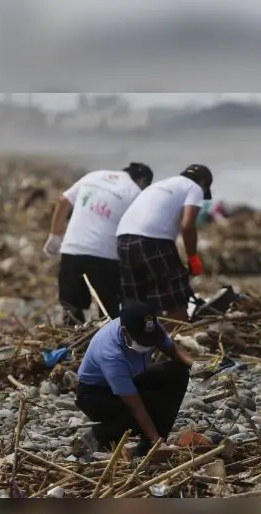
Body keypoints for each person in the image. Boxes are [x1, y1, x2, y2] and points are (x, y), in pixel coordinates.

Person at [75, 302, 195, 455]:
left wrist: (198, 366)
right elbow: (135, 405)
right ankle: (100, 435)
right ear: (125, 333)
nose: (147, 346)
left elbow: (171, 350)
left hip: (132, 376)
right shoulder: (111, 355)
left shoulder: (149, 325)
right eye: (143, 342)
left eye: (150, 341)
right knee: (150, 403)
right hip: (95, 395)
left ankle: (152, 442)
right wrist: (156, 442)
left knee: (177, 372)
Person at [43, 162, 154, 324]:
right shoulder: (135, 192)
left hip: (72, 250)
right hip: (104, 256)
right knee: (108, 310)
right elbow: (138, 231)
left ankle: (70, 343)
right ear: (143, 181)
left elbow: (63, 201)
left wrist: (55, 235)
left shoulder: (94, 176)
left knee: (71, 308)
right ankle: (107, 343)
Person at [115, 164, 213, 323]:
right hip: (153, 240)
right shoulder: (194, 187)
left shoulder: (160, 185)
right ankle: (179, 333)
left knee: (136, 298)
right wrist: (193, 258)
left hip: (123, 239)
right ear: (203, 183)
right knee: (173, 295)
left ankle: (141, 338)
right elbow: (187, 225)